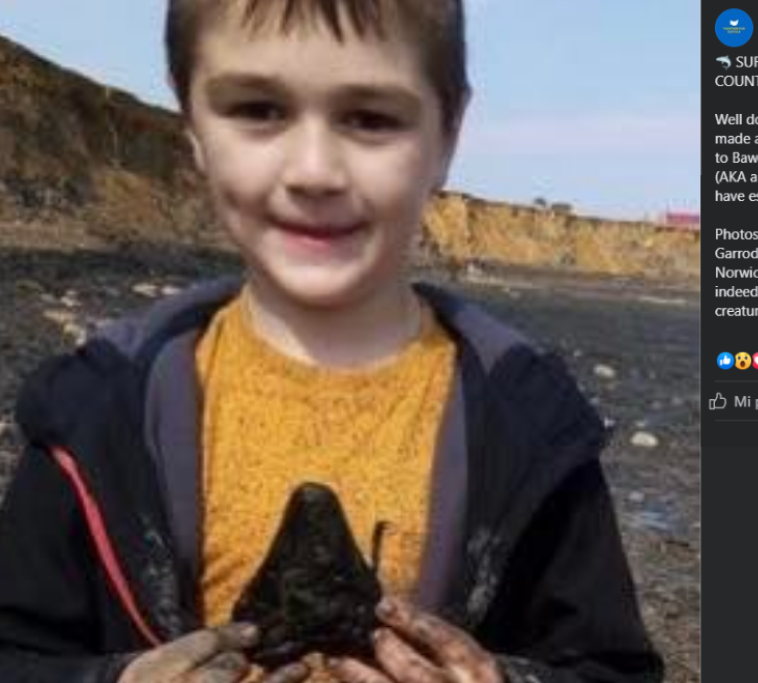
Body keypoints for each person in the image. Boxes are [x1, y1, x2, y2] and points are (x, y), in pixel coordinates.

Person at [0, 1, 665, 682]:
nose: (314, 171)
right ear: (192, 124)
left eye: (370, 118)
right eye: (258, 109)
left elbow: (611, 669)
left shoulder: (529, 423)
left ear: (448, 134)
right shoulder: (95, 413)